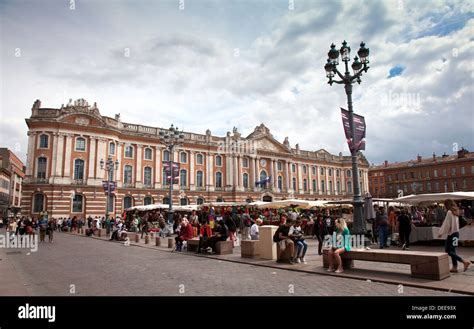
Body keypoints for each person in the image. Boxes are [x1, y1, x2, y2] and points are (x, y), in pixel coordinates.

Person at [438, 199, 471, 273]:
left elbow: (446, 224)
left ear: (447, 205)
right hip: (456, 234)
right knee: (453, 251)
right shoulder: (456, 212)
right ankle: (454, 267)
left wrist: (441, 232)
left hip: (451, 235)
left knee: (448, 251)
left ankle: (464, 261)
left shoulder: (449, 212)